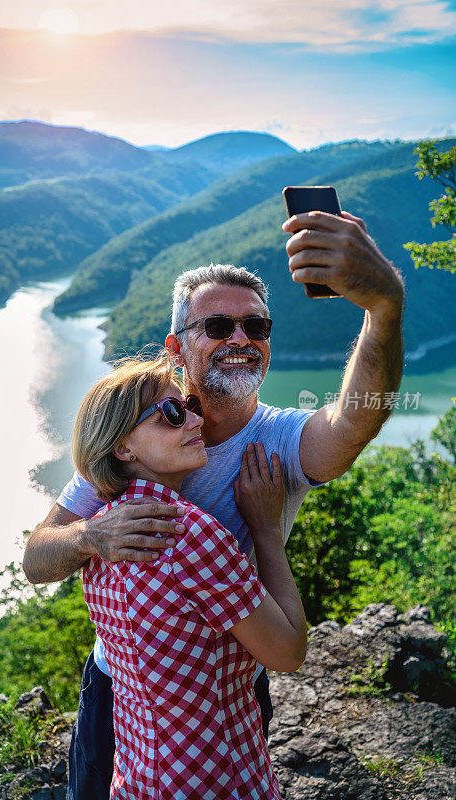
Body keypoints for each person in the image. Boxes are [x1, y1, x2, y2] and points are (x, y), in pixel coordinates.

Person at [23, 209, 405, 797]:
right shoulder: (140, 436)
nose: (241, 339)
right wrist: (90, 537)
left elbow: (355, 422)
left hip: (229, 690)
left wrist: (383, 308)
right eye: (219, 326)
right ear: (177, 346)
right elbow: (37, 560)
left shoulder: (276, 442)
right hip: (118, 690)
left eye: (257, 326)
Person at [70, 353, 303, 799]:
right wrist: (267, 530)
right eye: (172, 414)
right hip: (218, 779)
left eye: (190, 408)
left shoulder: (102, 532)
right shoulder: (188, 534)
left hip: (139, 776)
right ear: (124, 447)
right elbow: (287, 652)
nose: (195, 422)